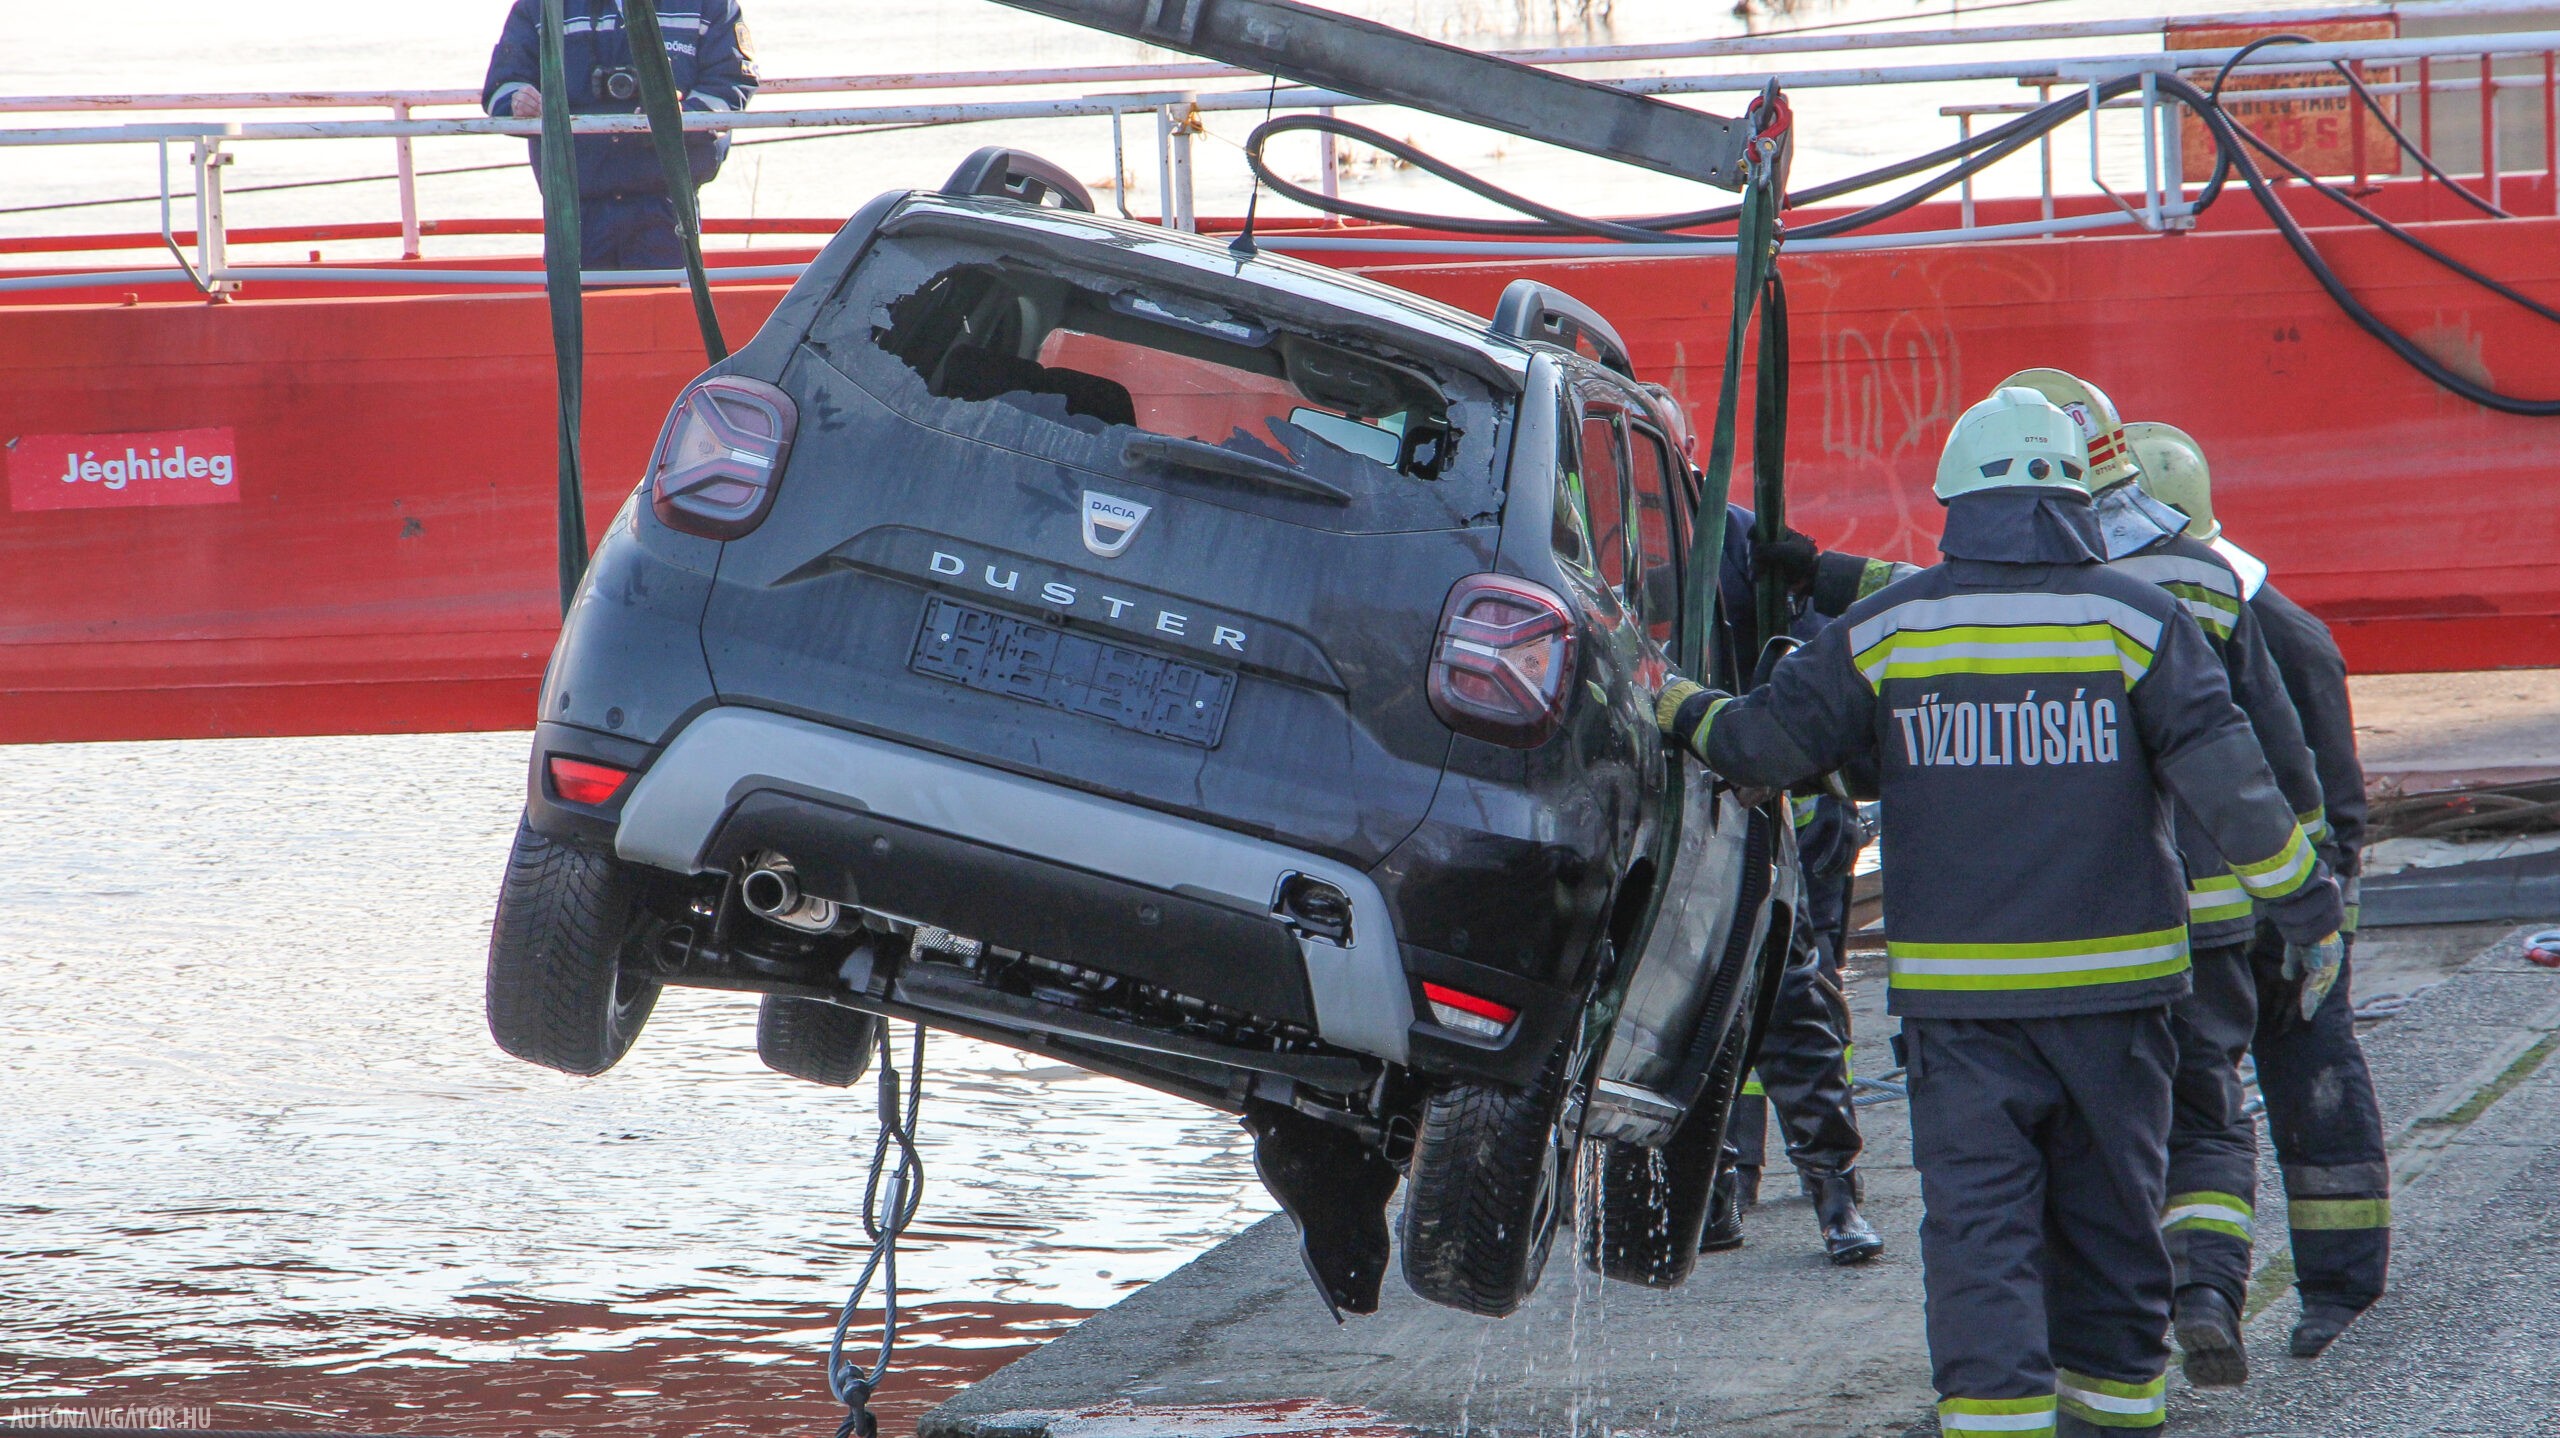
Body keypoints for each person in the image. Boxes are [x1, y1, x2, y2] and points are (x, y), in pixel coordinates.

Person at [1654, 387, 2343, 1438]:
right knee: (2114, 1230)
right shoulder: (2139, 622)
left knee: (1981, 1240)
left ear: (1954, 500)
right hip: (2118, 1008)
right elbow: (2240, 796)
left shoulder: (1890, 626)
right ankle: (2116, 1417)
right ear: (2078, 497)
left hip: (1963, 1016)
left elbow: (1759, 747)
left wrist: (1671, 700)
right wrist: (2311, 914)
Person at [2003, 371, 2332, 1389]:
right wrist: (2312, 905)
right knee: (2204, 1117)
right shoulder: (2200, 574)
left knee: (2091, 1137)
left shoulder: (1992, 595)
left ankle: (2097, 1343)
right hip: (2214, 921)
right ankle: (2206, 1295)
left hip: (2078, 930)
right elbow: (2280, 761)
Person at [2128, 420, 2393, 1360]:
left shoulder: (2273, 629)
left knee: (2310, 1083)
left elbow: (2327, 792)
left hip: (2282, 908)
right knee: (2221, 1101)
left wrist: (2321, 915)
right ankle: (2227, 1289)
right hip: (2231, 910)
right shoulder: (2207, 611)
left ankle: (2337, 1286)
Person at [1635, 382, 1883, 1266]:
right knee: (1685, 1004)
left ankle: (1834, 1192)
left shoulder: (1740, 542)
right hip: (1652, 805)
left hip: (1760, 799)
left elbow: (1817, 673)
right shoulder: (1586, 537)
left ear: (1684, 455)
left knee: (1793, 992)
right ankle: (1715, 1189)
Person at [483, 0, 760, 270]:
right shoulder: (541, 7)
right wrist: (520, 103)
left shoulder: (709, 5)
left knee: (665, 300)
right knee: (577, 301)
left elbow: (731, 84)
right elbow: (501, 86)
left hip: (668, 206)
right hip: (573, 210)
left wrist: (680, 115)